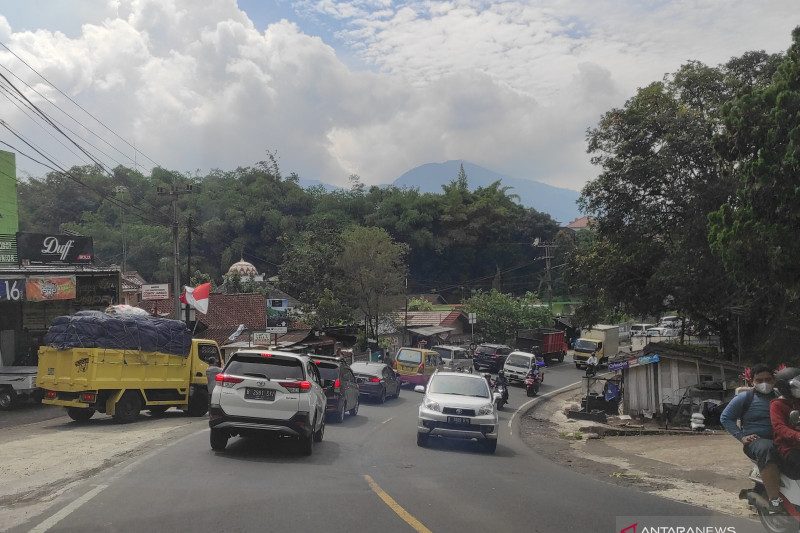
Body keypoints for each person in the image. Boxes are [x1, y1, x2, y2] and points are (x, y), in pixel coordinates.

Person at [720, 363, 782, 513]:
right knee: (767, 449)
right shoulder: (745, 398)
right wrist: (741, 437)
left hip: (780, 439)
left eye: (767, 379)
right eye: (759, 381)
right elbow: (726, 418)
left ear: (774, 380)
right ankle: (774, 500)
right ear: (752, 382)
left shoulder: (781, 397)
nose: (764, 383)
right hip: (757, 442)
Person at [771, 368, 800, 485]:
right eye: (795, 387)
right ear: (784, 387)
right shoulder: (777, 405)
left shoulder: (798, 402)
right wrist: (797, 436)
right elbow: (779, 427)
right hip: (788, 447)